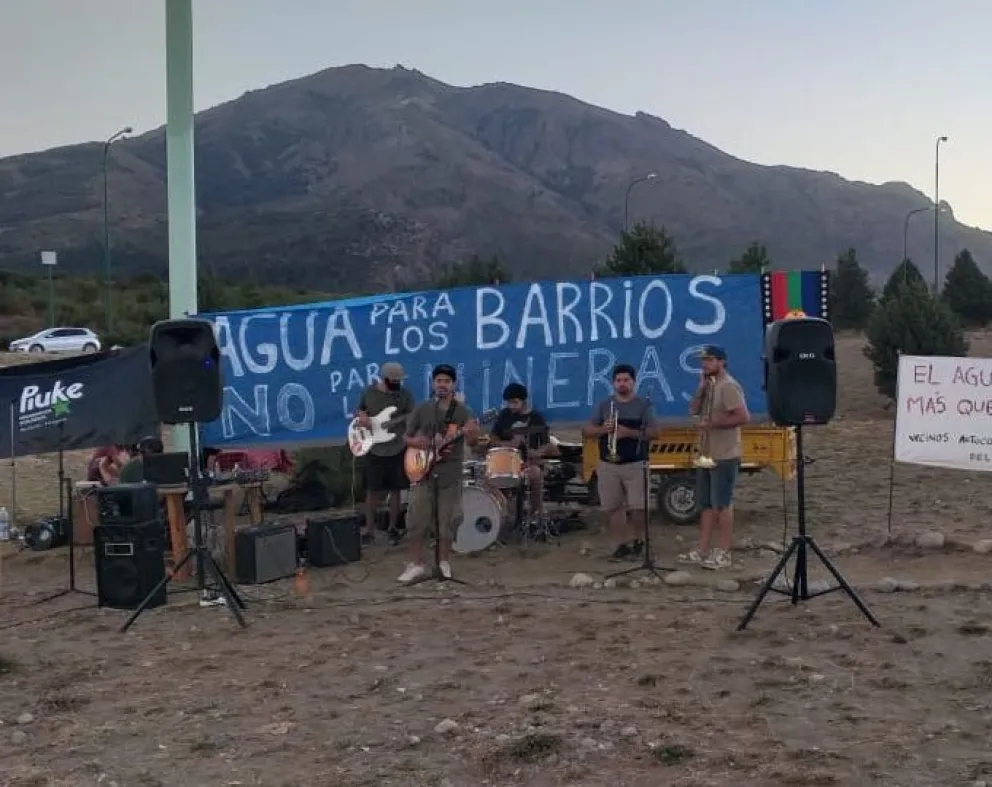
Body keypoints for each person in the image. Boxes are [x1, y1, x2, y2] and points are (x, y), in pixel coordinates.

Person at [397, 364, 479, 584]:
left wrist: (472, 432)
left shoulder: (463, 411)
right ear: (433, 383)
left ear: (453, 384)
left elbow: (472, 440)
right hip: (422, 473)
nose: (442, 384)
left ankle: (443, 563)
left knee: (448, 520)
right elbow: (406, 437)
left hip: (450, 474)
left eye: (446, 381)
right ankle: (416, 564)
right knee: (417, 519)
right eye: (438, 380)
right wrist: (419, 443)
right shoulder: (423, 409)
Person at [679, 345, 749, 570]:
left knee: (723, 503)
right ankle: (702, 549)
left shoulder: (728, 386)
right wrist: (700, 388)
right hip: (706, 452)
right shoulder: (709, 386)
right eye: (703, 360)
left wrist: (713, 424)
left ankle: (724, 552)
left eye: (709, 360)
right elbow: (693, 410)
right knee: (706, 504)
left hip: (725, 453)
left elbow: (742, 416)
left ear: (721, 362)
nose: (705, 364)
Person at [583, 364, 662, 559]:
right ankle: (622, 544)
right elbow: (588, 430)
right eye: (618, 381)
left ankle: (640, 540)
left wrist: (629, 433)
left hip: (636, 464)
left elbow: (655, 433)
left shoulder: (644, 405)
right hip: (608, 465)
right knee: (612, 507)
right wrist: (603, 430)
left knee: (638, 508)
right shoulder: (604, 405)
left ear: (634, 382)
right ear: (613, 383)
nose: (622, 384)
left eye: (626, 380)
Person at [355, 361, 416, 545]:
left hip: (397, 446)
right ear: (383, 379)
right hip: (374, 447)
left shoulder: (405, 395)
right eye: (393, 381)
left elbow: (412, 414)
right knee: (372, 491)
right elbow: (360, 410)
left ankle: (393, 528)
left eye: (399, 381)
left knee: (396, 490)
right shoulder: (368, 392)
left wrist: (395, 422)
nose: (397, 384)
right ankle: (369, 530)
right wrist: (362, 418)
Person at [489, 383, 559, 524]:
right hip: (506, 462)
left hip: (528, 463)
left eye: (515, 402)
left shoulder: (536, 418)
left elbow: (547, 444)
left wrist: (537, 453)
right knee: (490, 479)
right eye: (509, 403)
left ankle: (535, 514)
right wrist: (506, 445)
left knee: (536, 475)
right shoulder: (504, 416)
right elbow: (493, 438)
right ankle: (503, 515)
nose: (512, 406)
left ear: (524, 401)